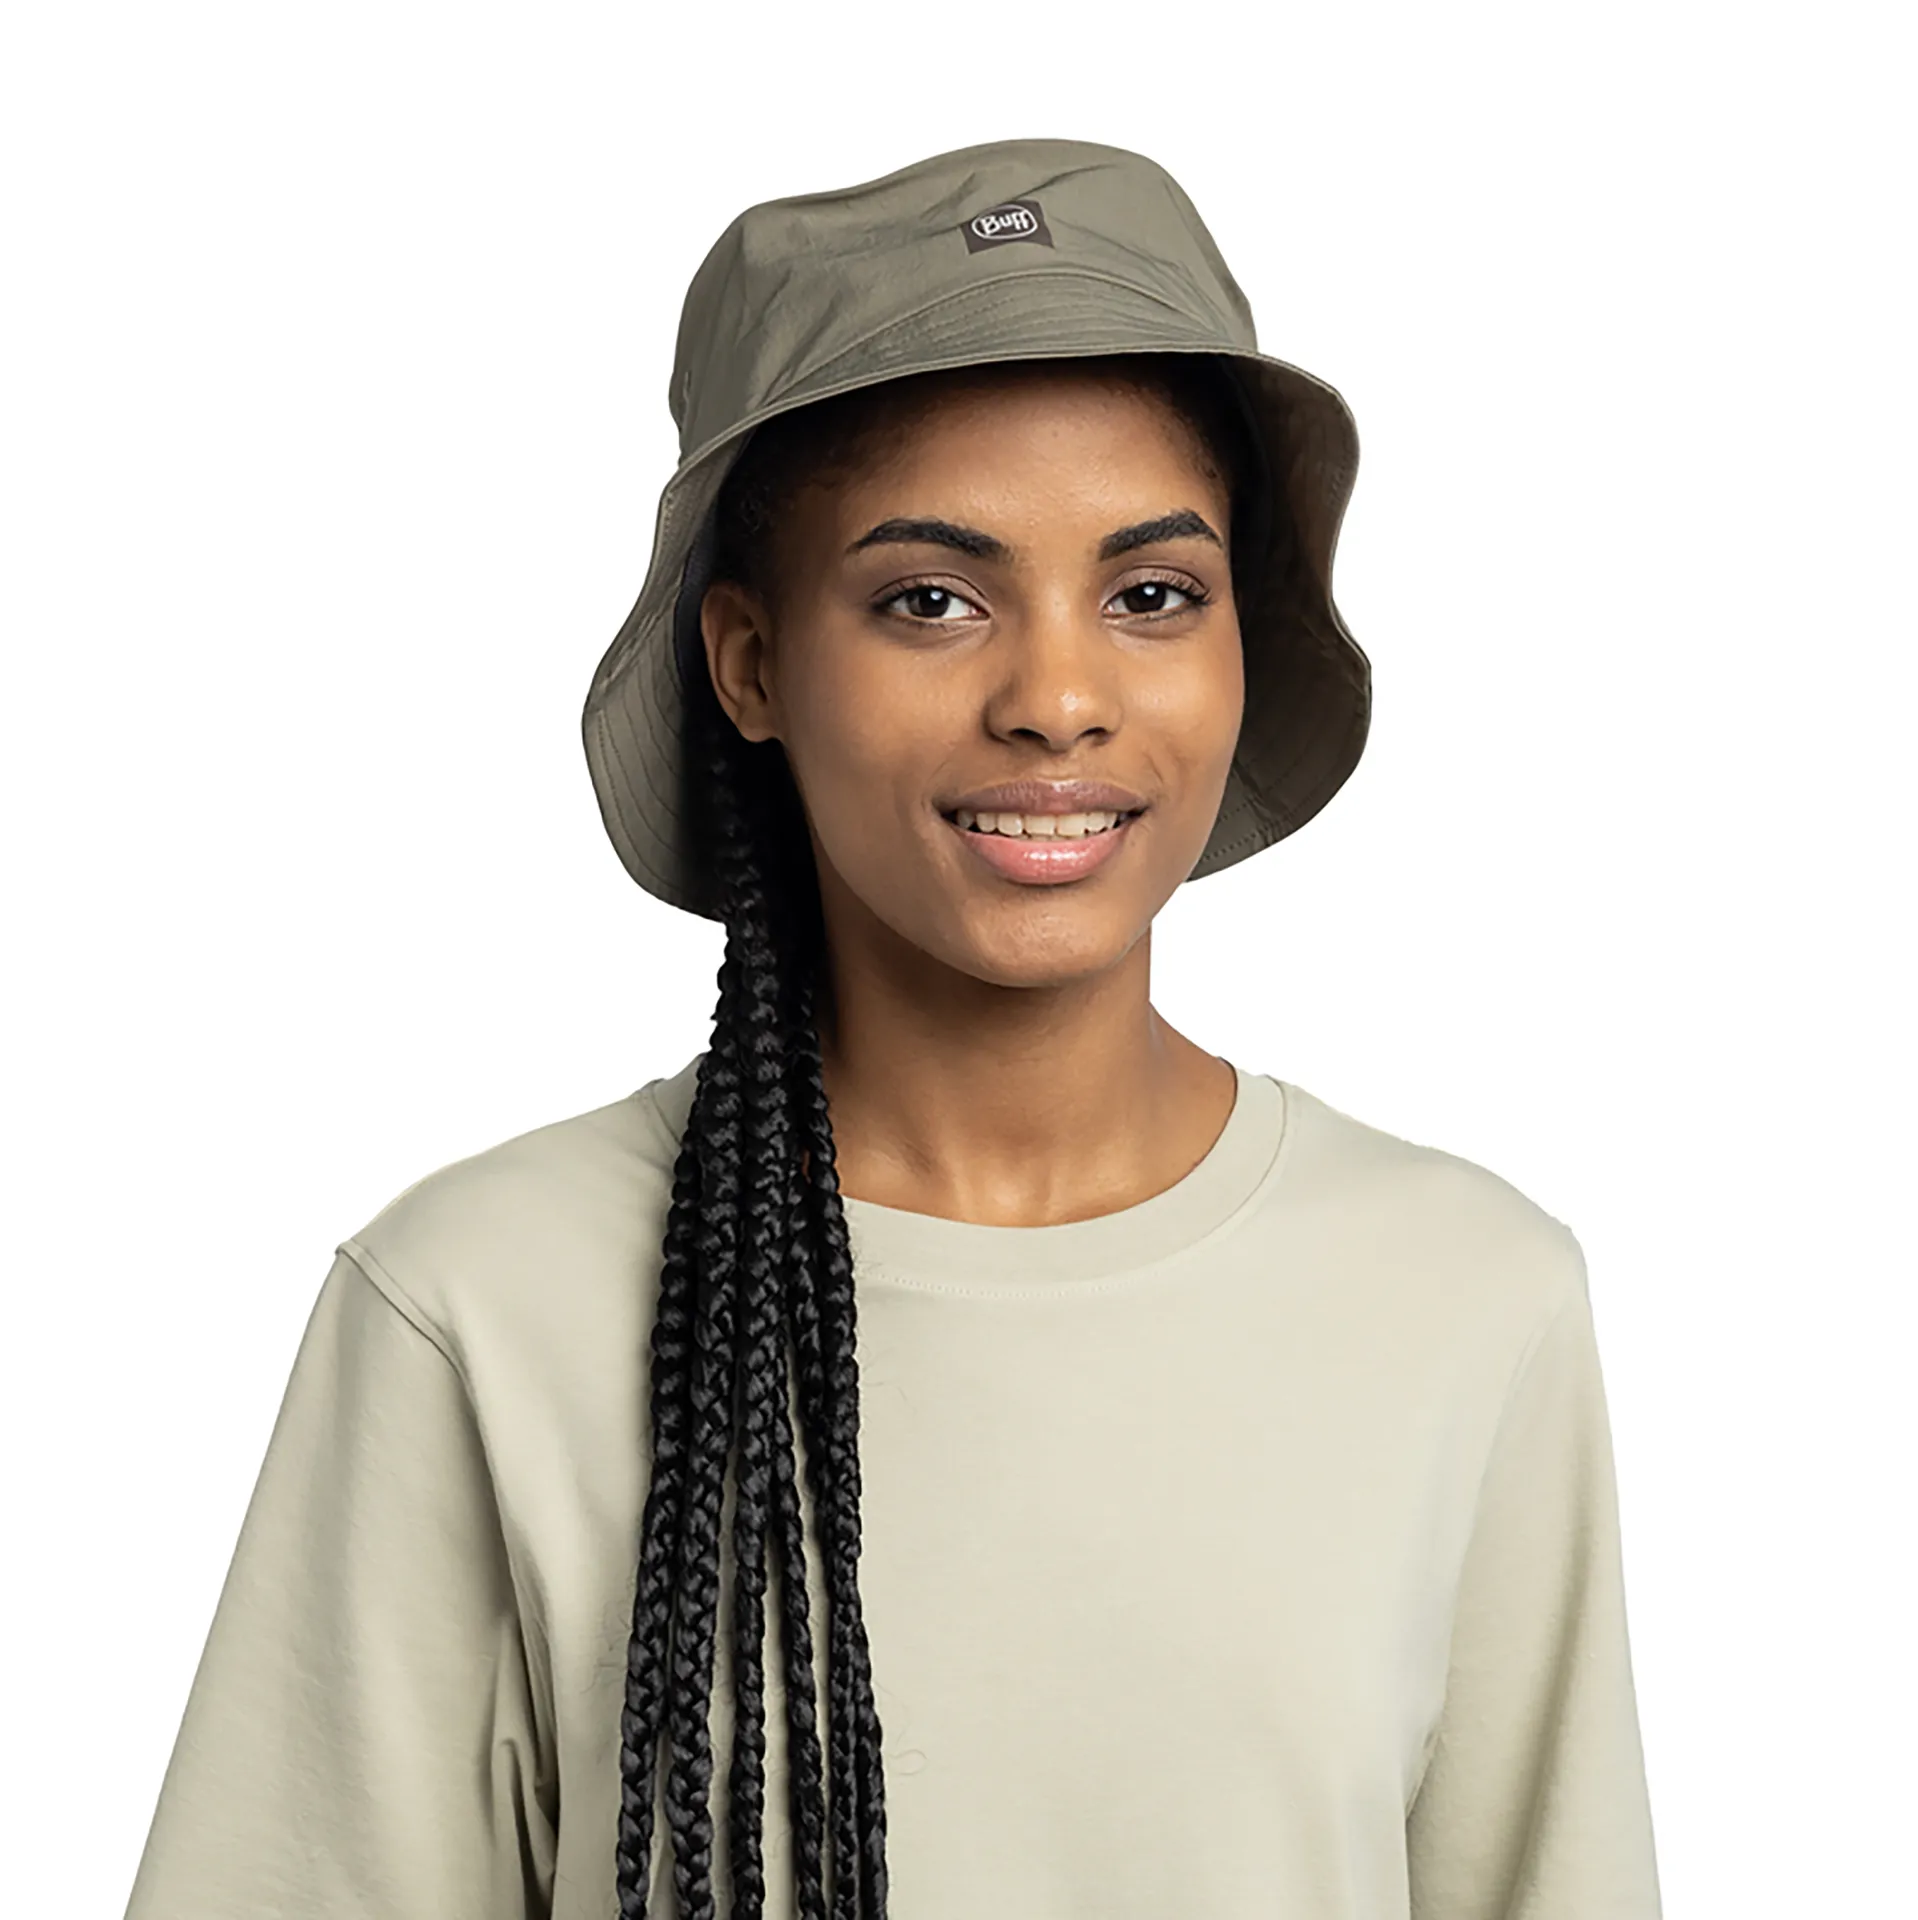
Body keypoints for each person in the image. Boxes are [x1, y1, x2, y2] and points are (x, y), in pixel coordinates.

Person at [124, 140, 1664, 1920]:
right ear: (750, 664)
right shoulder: (480, 1309)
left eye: (1153, 593)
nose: (1059, 698)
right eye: (931, 598)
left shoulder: (1466, 1299)